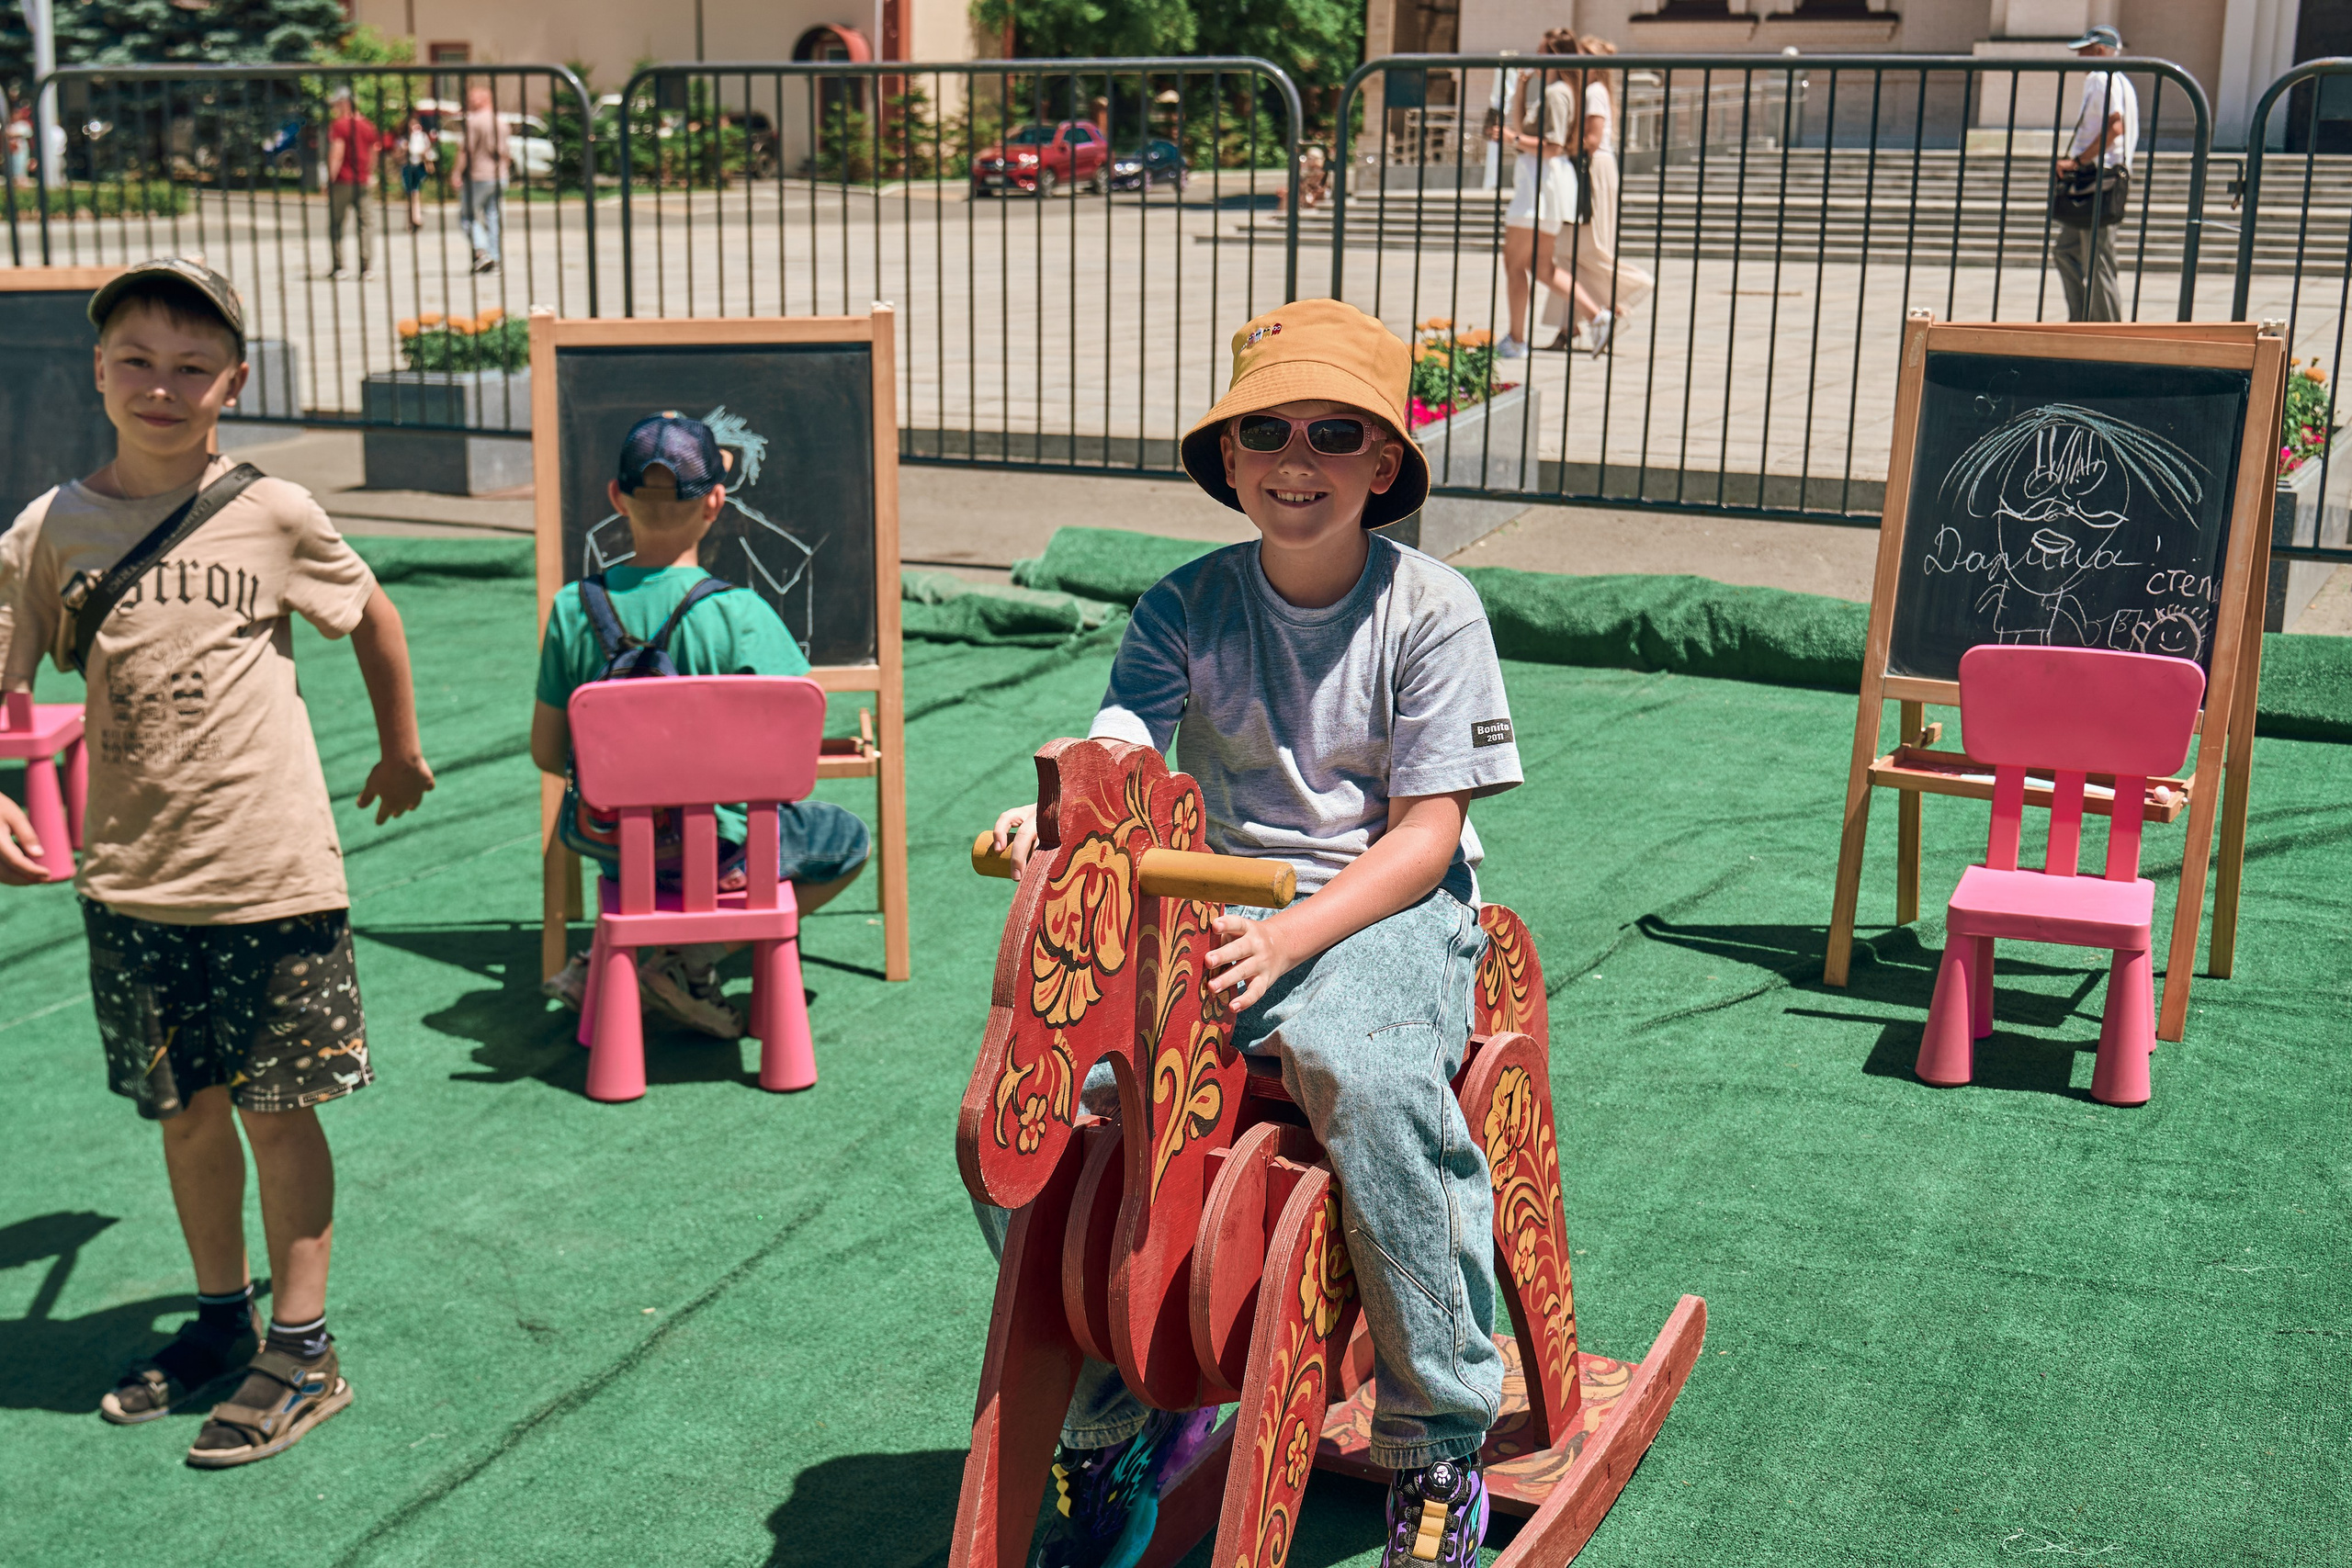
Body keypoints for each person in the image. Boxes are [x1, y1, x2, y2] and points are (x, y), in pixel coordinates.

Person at [987, 299, 1521, 1568]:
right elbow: (1124, 741)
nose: (1298, 457)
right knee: (1060, 1093)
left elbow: (1425, 838)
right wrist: (1057, 804)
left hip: (1382, 901)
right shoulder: (1181, 606)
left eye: (1337, 432)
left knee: (1362, 1068)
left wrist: (1292, 940)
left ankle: (1441, 1423)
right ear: (1226, 458)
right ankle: (1118, 1400)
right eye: (1266, 430)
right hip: (1220, 903)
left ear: (1384, 464)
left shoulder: (1432, 611)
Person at [0, 258, 435, 1465]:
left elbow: (377, 616)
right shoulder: (48, 530)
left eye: (193, 365)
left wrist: (401, 750)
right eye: (136, 358)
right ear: (96, 370)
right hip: (134, 886)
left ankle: (303, 1349)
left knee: (275, 1110)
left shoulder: (276, 511)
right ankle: (217, 1317)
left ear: (232, 383)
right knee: (188, 1117)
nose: (161, 384)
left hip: (274, 878)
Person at [530, 412, 872, 1036]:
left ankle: (623, 958)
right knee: (849, 838)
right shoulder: (739, 614)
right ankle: (691, 957)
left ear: (616, 496)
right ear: (716, 501)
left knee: (640, 849)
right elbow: (795, 760)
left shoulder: (570, 610)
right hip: (722, 854)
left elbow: (548, 752)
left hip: (617, 854)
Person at [1542, 35, 1655, 355]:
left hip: (1591, 169)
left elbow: (1591, 139)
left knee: (1584, 247)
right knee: (1569, 251)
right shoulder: (1592, 91)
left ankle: (1623, 293)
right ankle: (1570, 326)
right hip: (1588, 168)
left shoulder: (1593, 92)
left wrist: (1555, 149)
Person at [1489, 29, 1586, 359]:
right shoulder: (1556, 91)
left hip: (1539, 188)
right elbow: (1524, 129)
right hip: (1541, 186)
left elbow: (1553, 146)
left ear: (1555, 56)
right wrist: (1520, 91)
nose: (1536, 56)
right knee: (1542, 267)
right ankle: (1599, 316)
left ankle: (1516, 340)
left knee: (1515, 264)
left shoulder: (1558, 94)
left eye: (1541, 51)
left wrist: (1511, 139)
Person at [2054, 24, 2137, 322]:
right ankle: (2082, 321)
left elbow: (2116, 126)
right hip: (2102, 178)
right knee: (2067, 251)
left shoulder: (2101, 77)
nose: (2079, 56)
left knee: (2098, 262)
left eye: (2085, 49)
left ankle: (2106, 331)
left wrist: (2076, 162)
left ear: (2100, 50)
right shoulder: (2122, 81)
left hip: (2098, 179)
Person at [323, 86, 383, 280]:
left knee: (337, 224)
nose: (334, 108)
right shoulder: (367, 125)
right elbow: (374, 151)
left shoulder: (340, 125)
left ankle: (339, 267)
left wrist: (329, 178)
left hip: (342, 180)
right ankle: (367, 267)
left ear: (345, 103)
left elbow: (337, 152)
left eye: (336, 104)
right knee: (366, 223)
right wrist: (369, 172)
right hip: (362, 181)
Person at [452, 85, 511, 275]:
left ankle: (482, 251)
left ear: (483, 99)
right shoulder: (501, 121)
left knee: (466, 215)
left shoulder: (474, 121)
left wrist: (456, 172)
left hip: (480, 175)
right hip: (499, 175)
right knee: (492, 215)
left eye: (472, 98)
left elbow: (466, 150)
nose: (468, 102)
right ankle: (496, 259)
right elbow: (506, 152)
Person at [400, 110, 435, 233]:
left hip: (418, 166)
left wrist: (423, 153)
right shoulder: (404, 139)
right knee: (411, 194)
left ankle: (415, 219)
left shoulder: (421, 136)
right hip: (407, 167)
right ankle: (413, 219)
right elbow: (398, 155)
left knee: (415, 192)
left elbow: (427, 151)